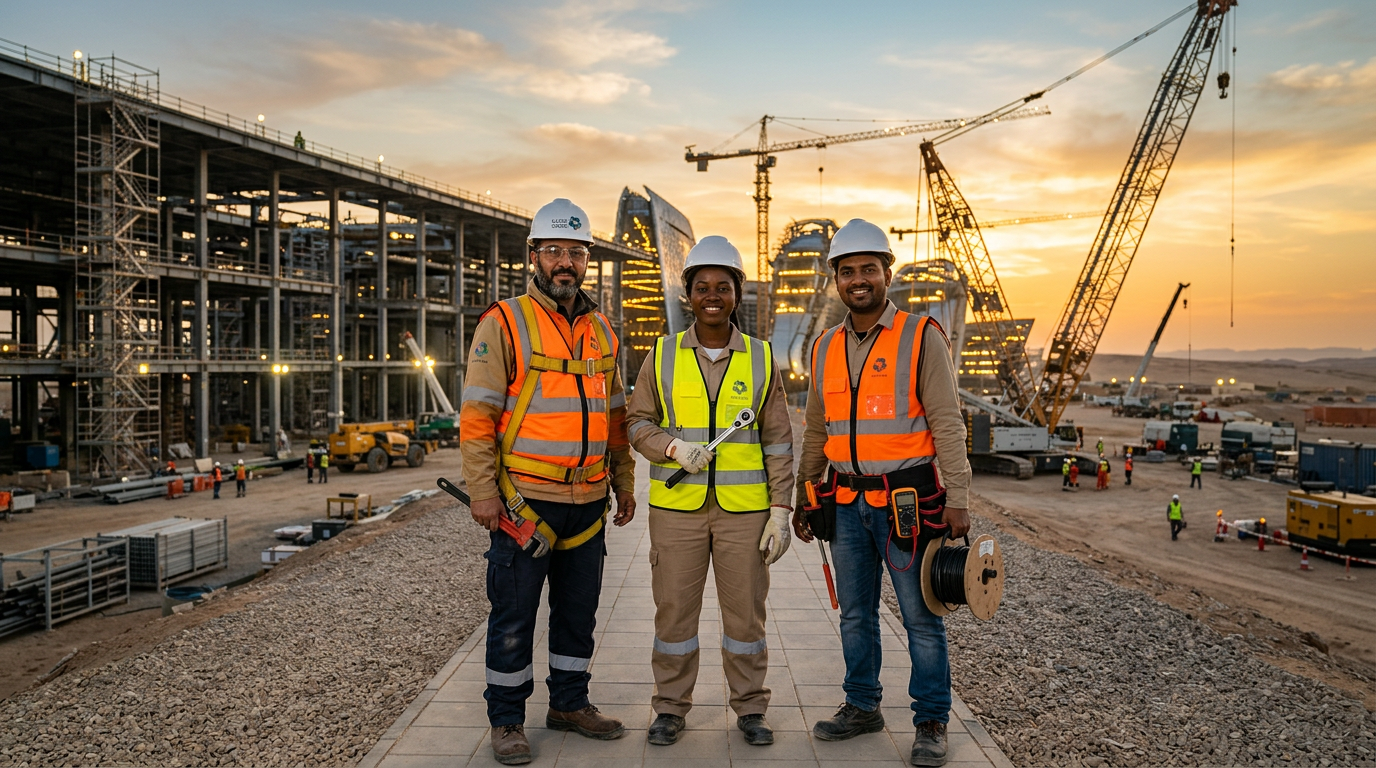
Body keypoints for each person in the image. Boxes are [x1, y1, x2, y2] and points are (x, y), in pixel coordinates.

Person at [458, 198, 636, 766]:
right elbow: (478, 416)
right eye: (555, 250)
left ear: (587, 260)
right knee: (514, 615)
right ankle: (507, 719)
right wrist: (483, 490)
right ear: (533, 255)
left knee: (578, 612)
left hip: (587, 501)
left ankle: (569, 704)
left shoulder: (601, 330)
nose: (566, 261)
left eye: (576, 252)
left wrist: (625, 481)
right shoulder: (504, 322)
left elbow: (615, 415)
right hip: (523, 503)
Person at [791, 219, 972, 767]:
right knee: (854, 614)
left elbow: (947, 422)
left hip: (907, 504)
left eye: (869, 268)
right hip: (845, 504)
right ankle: (863, 704)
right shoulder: (824, 345)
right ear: (836, 281)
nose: (858, 279)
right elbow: (817, 429)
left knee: (921, 616)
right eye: (847, 272)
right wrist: (806, 492)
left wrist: (959, 498)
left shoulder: (921, 336)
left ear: (886, 273)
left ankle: (932, 719)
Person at [625, 236, 795, 748]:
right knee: (674, 614)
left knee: (746, 616)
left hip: (745, 513)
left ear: (737, 293)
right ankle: (670, 708)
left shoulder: (762, 360)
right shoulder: (661, 355)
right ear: (689, 295)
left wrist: (781, 511)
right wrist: (674, 448)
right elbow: (636, 423)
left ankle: (750, 708)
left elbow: (779, 442)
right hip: (677, 511)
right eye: (703, 287)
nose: (713, 295)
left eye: (723, 286)